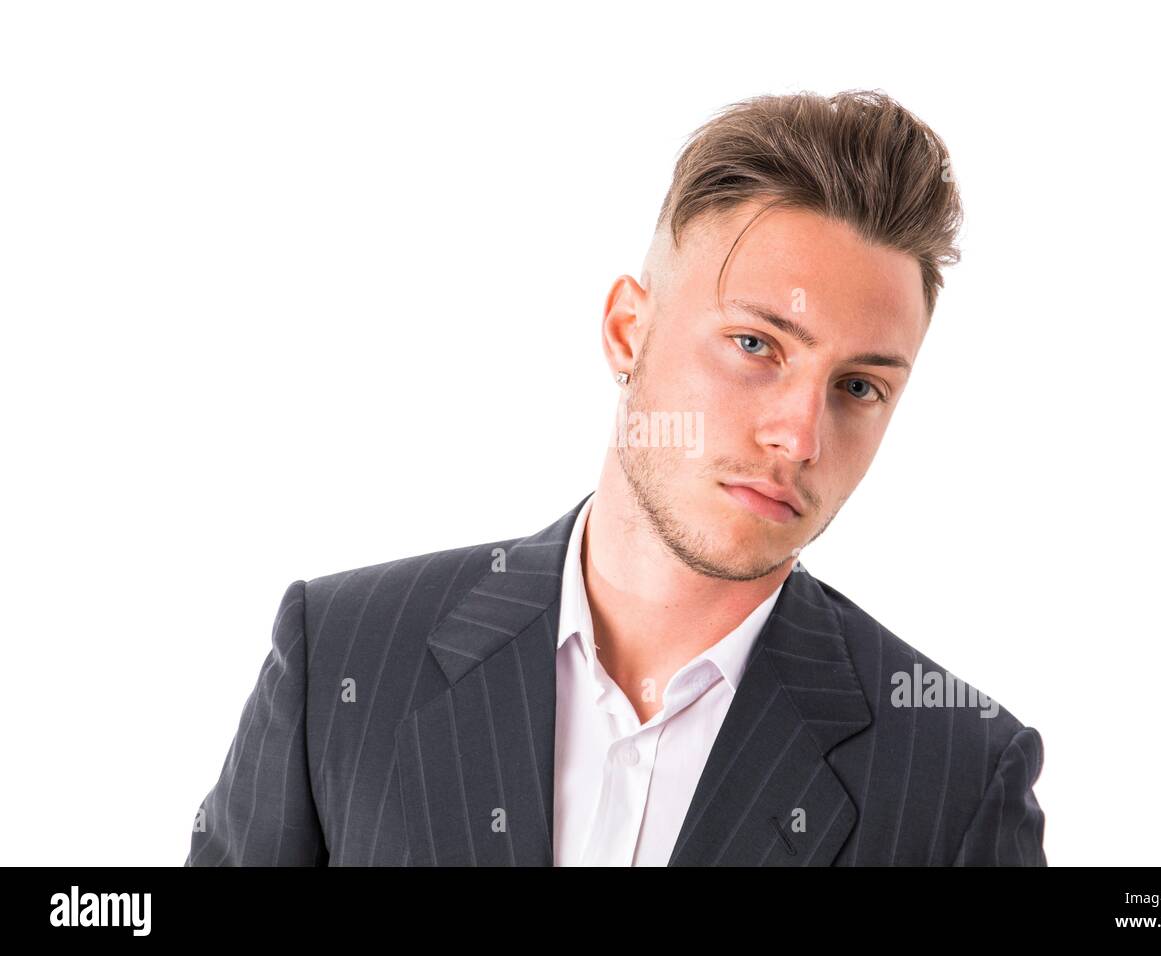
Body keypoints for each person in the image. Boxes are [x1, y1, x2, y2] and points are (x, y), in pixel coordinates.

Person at [186, 88, 1047, 867]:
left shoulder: (957, 781)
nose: (798, 434)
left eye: (859, 387)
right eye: (756, 345)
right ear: (628, 331)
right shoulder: (344, 658)